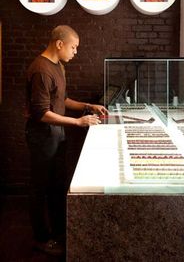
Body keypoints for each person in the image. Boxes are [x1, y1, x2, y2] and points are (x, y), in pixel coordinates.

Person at [25, 25, 108, 256]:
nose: (75, 52)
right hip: (42, 137)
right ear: (59, 44)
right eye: (73, 47)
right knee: (39, 188)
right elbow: (41, 113)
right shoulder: (41, 69)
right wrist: (79, 122)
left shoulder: (58, 66)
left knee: (56, 185)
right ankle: (41, 239)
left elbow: (63, 100)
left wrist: (88, 106)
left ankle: (59, 231)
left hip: (56, 135)